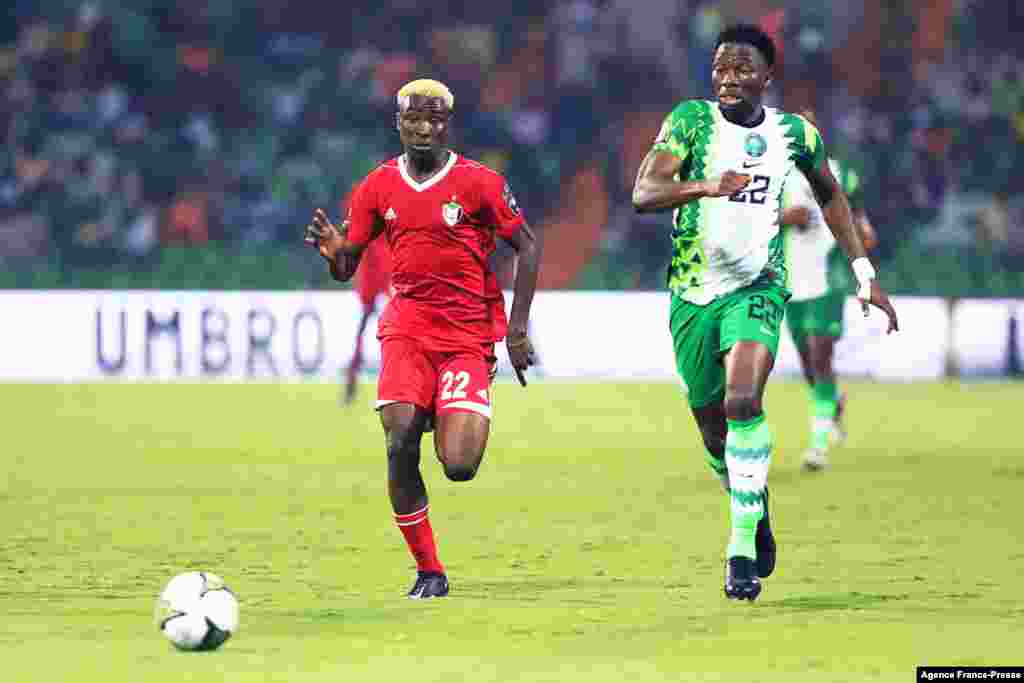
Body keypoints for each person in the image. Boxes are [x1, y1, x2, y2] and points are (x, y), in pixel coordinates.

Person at [631, 25, 898, 601]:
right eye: (721, 69)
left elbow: (832, 196)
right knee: (711, 428)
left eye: (742, 69)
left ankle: (740, 549)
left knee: (743, 400)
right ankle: (755, 509)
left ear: (767, 76)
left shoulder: (794, 134)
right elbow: (644, 192)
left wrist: (865, 273)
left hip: (758, 285)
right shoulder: (691, 121)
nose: (729, 80)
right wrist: (705, 185)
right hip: (692, 291)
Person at [304, 79, 540, 599]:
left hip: (466, 337)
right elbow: (349, 265)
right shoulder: (376, 187)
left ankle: (447, 403)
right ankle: (429, 571)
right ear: (399, 122)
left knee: (458, 466)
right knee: (398, 442)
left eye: (435, 119)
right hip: (407, 330)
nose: (425, 128)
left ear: (447, 125)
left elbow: (526, 243)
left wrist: (517, 329)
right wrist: (335, 254)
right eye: (415, 118)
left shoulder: (479, 184)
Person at [780, 109, 879, 471]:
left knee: (821, 357)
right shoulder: (776, 175)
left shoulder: (841, 175)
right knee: (808, 362)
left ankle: (817, 447)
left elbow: (860, 216)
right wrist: (785, 218)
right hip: (789, 281)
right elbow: (752, 221)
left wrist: (865, 233)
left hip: (829, 279)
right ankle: (833, 400)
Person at [340, 182, 393, 406]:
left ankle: (353, 378)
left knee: (366, 326)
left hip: (378, 267)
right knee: (392, 325)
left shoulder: (362, 199)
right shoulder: (386, 196)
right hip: (380, 267)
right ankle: (354, 377)